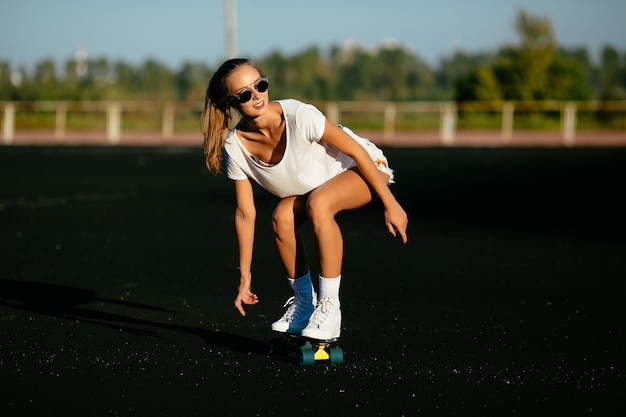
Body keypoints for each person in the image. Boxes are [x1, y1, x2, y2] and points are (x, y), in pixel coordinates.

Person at [202, 58, 408, 340]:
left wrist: (390, 203)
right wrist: (245, 274)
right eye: (245, 94)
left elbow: (359, 153)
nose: (257, 96)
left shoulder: (299, 115)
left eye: (260, 85)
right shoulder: (235, 147)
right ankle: (303, 303)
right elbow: (244, 213)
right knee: (281, 217)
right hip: (317, 187)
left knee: (319, 204)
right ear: (231, 101)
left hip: (363, 168)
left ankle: (330, 307)